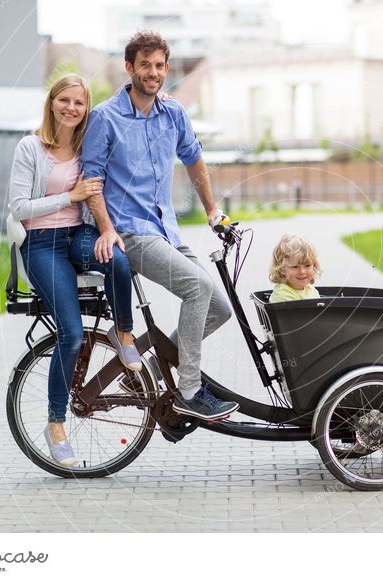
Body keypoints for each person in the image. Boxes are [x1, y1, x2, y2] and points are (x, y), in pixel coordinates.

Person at [81, 31, 239, 421]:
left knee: (219, 309)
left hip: (165, 230)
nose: (153, 73)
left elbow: (194, 158)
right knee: (197, 286)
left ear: (167, 69)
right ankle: (189, 390)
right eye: (145, 65)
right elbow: (92, 180)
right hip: (129, 233)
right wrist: (105, 228)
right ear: (129, 67)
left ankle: (148, 372)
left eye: (159, 66)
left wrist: (212, 212)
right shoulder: (106, 117)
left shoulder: (173, 112)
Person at [8, 74, 141, 467]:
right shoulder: (30, 147)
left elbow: (125, 123)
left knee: (118, 259)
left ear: (86, 109)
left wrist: (151, 96)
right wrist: (71, 195)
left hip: (78, 235)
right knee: (71, 334)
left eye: (79, 103)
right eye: (64, 100)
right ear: (52, 103)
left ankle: (124, 332)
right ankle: (55, 424)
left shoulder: (87, 146)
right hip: (42, 245)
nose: (71, 108)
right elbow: (18, 208)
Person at [268, 234, 322, 303]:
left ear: (314, 265)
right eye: (295, 267)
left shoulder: (311, 290)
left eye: (307, 265)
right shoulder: (282, 294)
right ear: (281, 269)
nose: (302, 271)